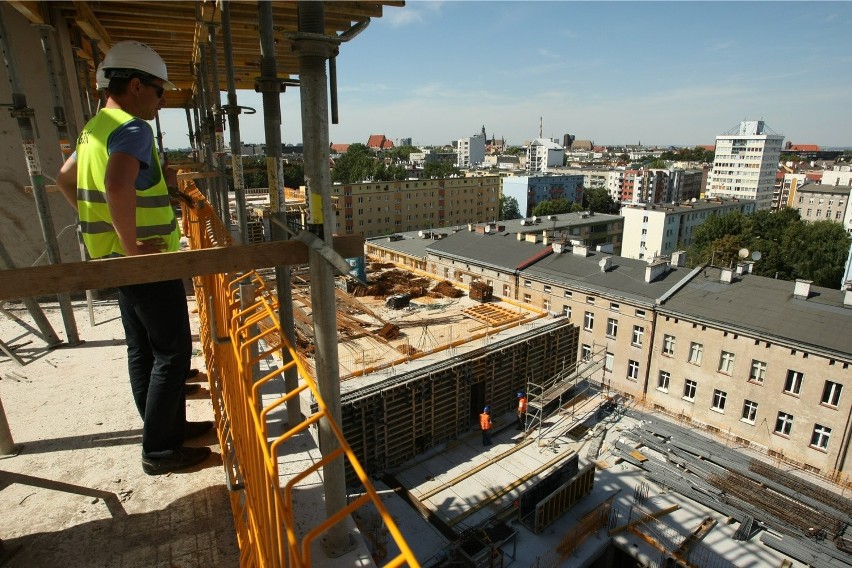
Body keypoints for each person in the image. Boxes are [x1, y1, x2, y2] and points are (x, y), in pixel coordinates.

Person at [55, 41, 212, 475]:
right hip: (144, 261)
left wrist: (102, 228)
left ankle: (163, 430)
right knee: (172, 353)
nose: (162, 102)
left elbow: (66, 180)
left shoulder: (94, 128)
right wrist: (130, 244)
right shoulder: (133, 128)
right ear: (137, 84)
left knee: (142, 348)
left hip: (113, 258)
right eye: (160, 92)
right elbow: (118, 184)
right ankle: (161, 450)